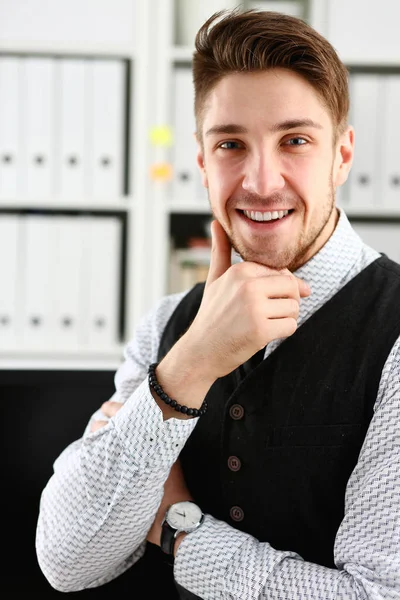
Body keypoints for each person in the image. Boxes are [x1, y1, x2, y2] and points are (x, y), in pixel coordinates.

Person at [36, 8, 400, 600]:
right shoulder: (167, 324)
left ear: (342, 155)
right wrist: (189, 366)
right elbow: (67, 560)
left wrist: (182, 534)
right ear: (204, 164)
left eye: (296, 141)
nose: (261, 181)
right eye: (231, 143)